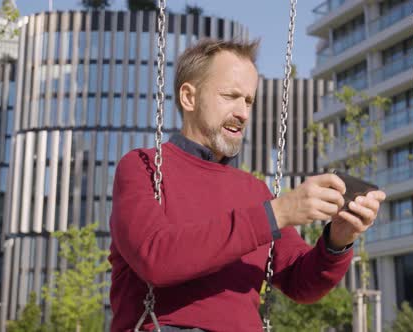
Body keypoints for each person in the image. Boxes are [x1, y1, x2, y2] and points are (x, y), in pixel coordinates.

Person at [108, 38, 386, 332]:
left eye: (249, 100)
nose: (243, 112)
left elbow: (301, 283)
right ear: (189, 97)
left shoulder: (255, 192)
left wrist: (337, 241)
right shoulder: (142, 166)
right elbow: (156, 259)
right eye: (230, 96)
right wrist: (275, 214)